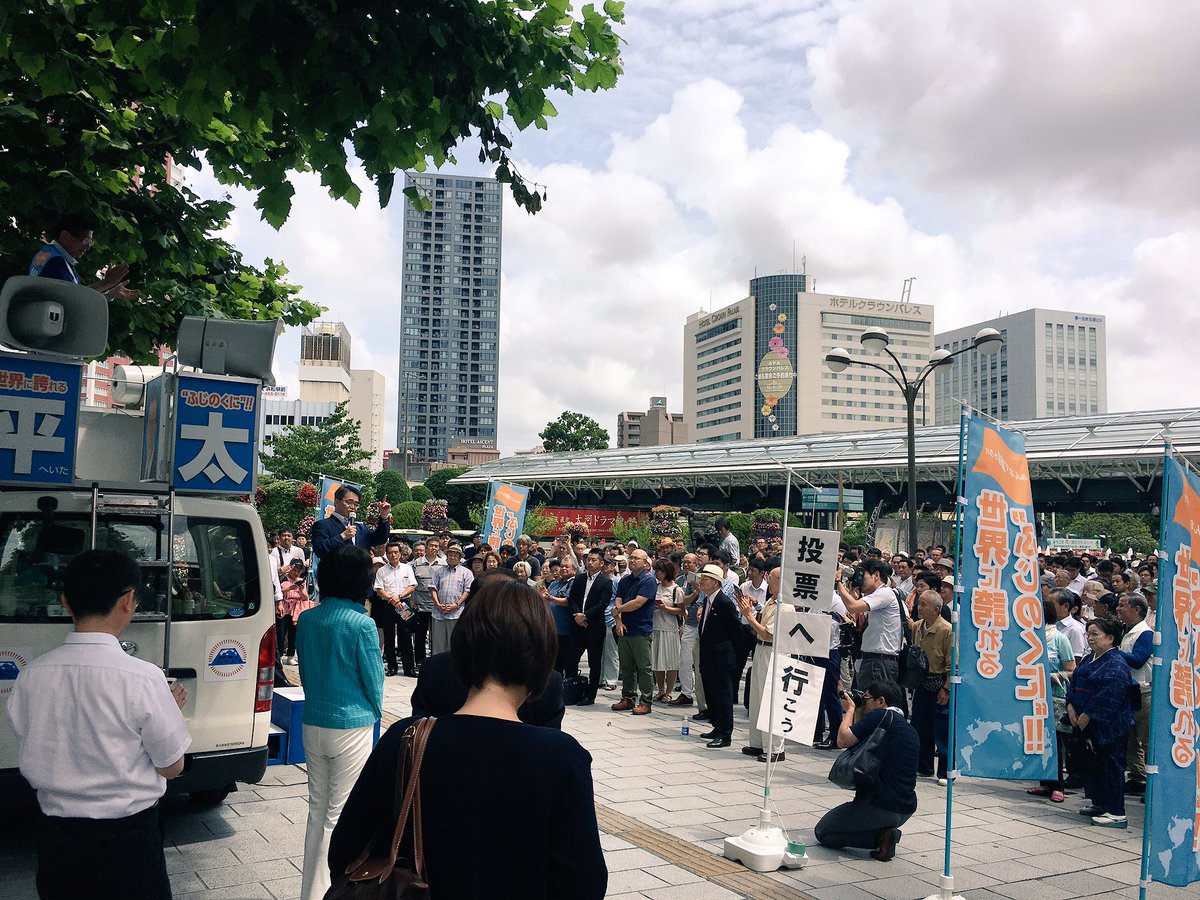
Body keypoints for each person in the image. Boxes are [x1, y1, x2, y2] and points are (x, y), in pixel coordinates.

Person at [329, 576, 607, 898]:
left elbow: (345, 852)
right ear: (543, 656)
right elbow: (583, 883)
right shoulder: (561, 758)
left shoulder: (404, 738)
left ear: (462, 646)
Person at [8, 550, 190, 900]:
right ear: (128, 601)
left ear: (65, 602)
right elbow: (171, 767)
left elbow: (29, 734)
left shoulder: (32, 675)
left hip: (57, 840)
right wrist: (170, 710)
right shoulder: (144, 678)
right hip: (129, 841)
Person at [295, 544, 385, 900]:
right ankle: (327, 892)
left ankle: (309, 891)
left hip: (313, 720)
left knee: (317, 810)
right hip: (352, 724)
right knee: (339, 814)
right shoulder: (362, 624)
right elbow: (374, 681)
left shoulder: (307, 619)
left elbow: (304, 670)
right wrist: (376, 713)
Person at [814, 681, 919, 862]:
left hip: (878, 805)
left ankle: (881, 837)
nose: (864, 702)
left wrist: (850, 710)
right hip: (905, 808)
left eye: (867, 698)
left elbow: (843, 740)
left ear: (881, 701)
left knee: (823, 833)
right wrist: (859, 710)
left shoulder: (881, 715)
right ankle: (884, 833)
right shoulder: (909, 729)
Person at [1067, 615, 1135, 828]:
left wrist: (1088, 715)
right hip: (1082, 718)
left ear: (1110, 637)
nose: (1090, 638)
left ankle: (1116, 812)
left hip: (1108, 725)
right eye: (1088, 634)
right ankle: (1099, 803)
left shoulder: (1116, 663)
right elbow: (1074, 682)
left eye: (1095, 634)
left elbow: (1109, 695)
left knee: (1110, 767)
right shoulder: (1090, 658)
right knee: (1093, 765)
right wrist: (1071, 707)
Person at [1027, 598, 1076, 804]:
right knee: (1039, 740)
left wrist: (1053, 676)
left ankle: (1058, 786)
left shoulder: (1059, 639)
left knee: (1055, 742)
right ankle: (1044, 781)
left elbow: (1071, 670)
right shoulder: (1030, 637)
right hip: (1033, 696)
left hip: (1054, 697)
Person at [28, 212, 142, 299]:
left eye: (90, 243)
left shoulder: (47, 253)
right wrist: (107, 283)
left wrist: (110, 294)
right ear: (65, 236)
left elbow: (74, 296)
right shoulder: (57, 263)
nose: (88, 247)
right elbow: (73, 300)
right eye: (86, 241)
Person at [738, 566, 789, 762]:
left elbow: (768, 633)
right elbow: (758, 628)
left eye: (772, 579)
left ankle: (776, 747)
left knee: (771, 699)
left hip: (773, 651)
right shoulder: (771, 600)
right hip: (760, 649)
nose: (769, 583)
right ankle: (758, 742)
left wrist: (749, 616)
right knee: (757, 697)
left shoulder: (785, 605)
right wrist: (750, 611)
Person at [695, 563, 745, 749]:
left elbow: (736, 631)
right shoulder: (709, 600)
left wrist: (733, 656)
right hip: (708, 656)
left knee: (723, 695)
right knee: (711, 693)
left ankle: (725, 734)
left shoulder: (724, 602)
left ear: (716, 582)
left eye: (706, 579)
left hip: (722, 658)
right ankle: (717, 726)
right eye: (701, 579)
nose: (701, 582)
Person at [838, 559, 904, 687]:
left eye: (863, 576)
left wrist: (838, 583)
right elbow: (854, 610)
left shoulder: (884, 593)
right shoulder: (880, 595)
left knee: (872, 699)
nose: (860, 581)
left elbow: (853, 606)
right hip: (875, 660)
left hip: (879, 662)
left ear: (876, 575)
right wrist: (853, 596)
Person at [908, 590, 952, 783]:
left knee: (942, 730)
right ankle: (924, 766)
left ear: (936, 609)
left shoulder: (947, 630)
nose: (919, 607)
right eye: (919, 603)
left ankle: (945, 772)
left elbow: (953, 664)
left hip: (940, 682)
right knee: (920, 726)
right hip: (921, 682)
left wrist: (946, 689)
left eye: (924, 604)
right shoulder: (917, 626)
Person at [611, 548, 658, 715]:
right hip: (624, 628)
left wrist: (618, 610)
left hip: (641, 630)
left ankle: (646, 701)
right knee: (626, 666)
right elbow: (618, 599)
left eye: (636, 558)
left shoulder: (649, 581)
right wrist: (618, 620)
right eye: (631, 557)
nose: (632, 560)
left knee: (644, 668)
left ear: (645, 563)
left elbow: (638, 603)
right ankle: (628, 697)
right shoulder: (625, 580)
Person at [567, 547, 615, 705]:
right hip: (577, 625)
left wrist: (585, 615)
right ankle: (572, 691)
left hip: (594, 626)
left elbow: (602, 604)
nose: (590, 562)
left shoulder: (606, 582)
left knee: (594, 663)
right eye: (589, 559)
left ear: (601, 563)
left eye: (594, 560)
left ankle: (590, 695)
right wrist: (577, 615)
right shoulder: (579, 578)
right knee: (571, 659)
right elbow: (572, 599)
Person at [1116, 592, 1153, 796]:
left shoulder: (1145, 633)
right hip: (1129, 690)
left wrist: (1113, 651)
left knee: (1146, 738)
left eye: (1123, 605)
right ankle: (1137, 777)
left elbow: (1138, 660)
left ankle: (1152, 783)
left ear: (1136, 609)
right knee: (1130, 737)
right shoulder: (1127, 630)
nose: (1118, 609)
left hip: (1144, 691)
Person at [311, 486, 393, 560]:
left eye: (356, 504)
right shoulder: (322, 525)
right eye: (349, 502)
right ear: (336, 501)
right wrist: (342, 536)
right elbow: (320, 550)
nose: (353, 507)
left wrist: (384, 517)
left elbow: (380, 539)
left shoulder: (361, 529)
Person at [373, 541, 417, 677]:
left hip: (404, 604)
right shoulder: (382, 570)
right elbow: (379, 589)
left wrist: (399, 597)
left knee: (406, 634)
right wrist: (392, 600)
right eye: (390, 553)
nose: (393, 555)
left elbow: (412, 586)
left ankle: (409, 668)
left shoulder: (407, 568)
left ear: (400, 554)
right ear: (386, 554)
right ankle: (392, 667)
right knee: (389, 635)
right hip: (387, 604)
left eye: (396, 552)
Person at [651, 558, 685, 702]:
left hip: (671, 629)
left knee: (671, 661)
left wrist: (666, 608)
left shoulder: (677, 589)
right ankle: (660, 690)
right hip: (656, 627)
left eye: (658, 571)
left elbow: (681, 610)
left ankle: (669, 691)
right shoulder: (656, 587)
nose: (656, 573)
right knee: (657, 661)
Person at [430, 543, 473, 654]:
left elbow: (467, 591)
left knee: (454, 644)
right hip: (438, 613)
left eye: (455, 555)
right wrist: (437, 604)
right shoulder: (439, 571)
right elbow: (433, 588)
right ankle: (438, 664)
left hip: (456, 613)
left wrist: (457, 605)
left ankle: (453, 665)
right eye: (450, 555)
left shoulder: (466, 573)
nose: (452, 557)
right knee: (438, 645)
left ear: (460, 557)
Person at [672, 552, 702, 708]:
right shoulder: (679, 580)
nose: (686, 565)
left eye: (689, 562)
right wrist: (692, 595)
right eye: (684, 562)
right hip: (687, 621)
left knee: (698, 661)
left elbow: (690, 600)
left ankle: (701, 694)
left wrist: (694, 594)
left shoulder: (701, 578)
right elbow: (681, 601)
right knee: (684, 659)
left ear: (697, 563)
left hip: (698, 622)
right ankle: (686, 692)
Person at [410, 538, 443, 668]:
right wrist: (411, 599)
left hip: (437, 606)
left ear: (439, 548)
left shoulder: (443, 563)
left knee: (436, 636)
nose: (433, 548)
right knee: (420, 635)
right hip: (420, 605)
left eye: (436, 546)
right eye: (431, 545)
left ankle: (435, 661)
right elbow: (411, 583)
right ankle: (420, 661)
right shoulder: (416, 563)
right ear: (427, 547)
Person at [277, 560, 310, 665]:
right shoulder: (283, 578)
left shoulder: (301, 581)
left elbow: (305, 597)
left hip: (295, 611)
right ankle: (279, 655)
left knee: (293, 633)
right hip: (284, 610)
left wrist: (300, 589)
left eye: (299, 571)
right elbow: (278, 592)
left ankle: (290, 655)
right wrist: (289, 588)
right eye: (295, 570)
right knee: (281, 633)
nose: (296, 573)